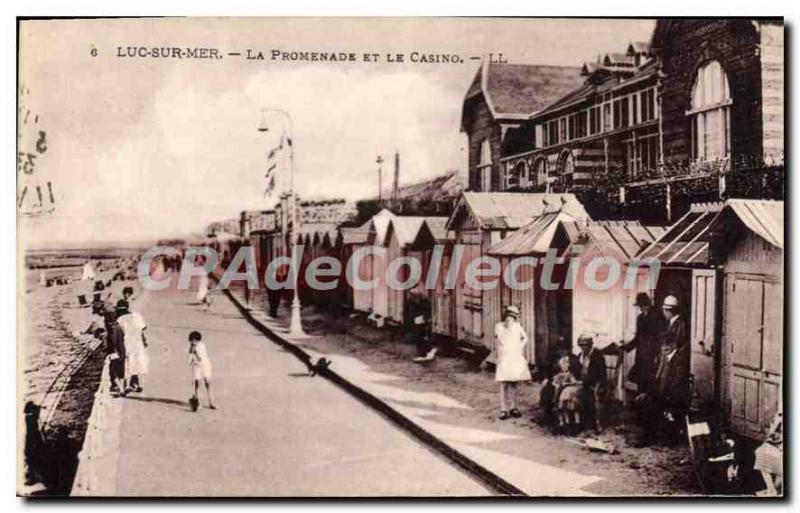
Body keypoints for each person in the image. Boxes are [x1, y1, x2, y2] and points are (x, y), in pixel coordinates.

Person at [635, 301, 691, 446]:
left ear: (673, 346)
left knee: (655, 406)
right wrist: (648, 392)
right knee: (642, 401)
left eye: (667, 348)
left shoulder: (678, 363)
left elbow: (676, 385)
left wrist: (661, 396)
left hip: (671, 397)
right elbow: (655, 378)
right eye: (662, 348)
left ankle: (654, 437)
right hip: (660, 393)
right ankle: (646, 437)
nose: (664, 350)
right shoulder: (661, 359)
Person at [622, 292, 667, 392]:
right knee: (640, 383)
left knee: (649, 386)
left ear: (648, 304)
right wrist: (626, 347)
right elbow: (638, 337)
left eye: (643, 305)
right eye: (640, 306)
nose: (641, 308)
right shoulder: (640, 318)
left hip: (651, 357)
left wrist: (658, 356)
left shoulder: (657, 317)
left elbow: (661, 339)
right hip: (641, 356)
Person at [494, 305, 531, 420]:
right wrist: (499, 355)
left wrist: (520, 346)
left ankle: (513, 407)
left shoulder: (517, 326)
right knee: (504, 384)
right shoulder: (499, 326)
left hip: (514, 357)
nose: (510, 319)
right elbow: (498, 341)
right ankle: (503, 409)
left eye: (513, 317)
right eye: (509, 316)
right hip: (504, 357)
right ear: (505, 316)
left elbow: (525, 337)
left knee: (514, 383)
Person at [575, 333, 607, 431]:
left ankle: (596, 423)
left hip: (596, 382)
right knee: (569, 391)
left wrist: (596, 384)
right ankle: (577, 421)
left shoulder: (597, 355)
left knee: (584, 394)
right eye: (581, 345)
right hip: (584, 383)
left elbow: (601, 374)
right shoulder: (581, 355)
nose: (583, 348)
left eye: (585, 345)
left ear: (590, 345)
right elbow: (577, 370)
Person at [117, 300, 149, 393]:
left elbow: (120, 334)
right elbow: (143, 329)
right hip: (138, 343)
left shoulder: (120, 320)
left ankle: (127, 386)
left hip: (127, 344)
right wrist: (144, 340)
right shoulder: (137, 316)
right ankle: (140, 385)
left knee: (128, 364)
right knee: (140, 363)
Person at [552, 353, 582, 433]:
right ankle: (563, 423)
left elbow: (574, 381)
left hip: (564, 392)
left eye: (565, 365)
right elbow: (554, 382)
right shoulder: (558, 375)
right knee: (561, 409)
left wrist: (566, 384)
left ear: (568, 365)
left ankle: (574, 424)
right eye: (562, 365)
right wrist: (556, 384)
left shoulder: (569, 375)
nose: (564, 367)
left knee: (568, 407)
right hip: (558, 394)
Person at [188, 331, 216, 409]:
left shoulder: (202, 345)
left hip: (205, 365)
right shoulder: (191, 348)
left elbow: (200, 358)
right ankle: (198, 402)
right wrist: (191, 356)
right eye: (192, 340)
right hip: (197, 367)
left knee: (208, 382)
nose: (193, 342)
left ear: (198, 340)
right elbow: (189, 360)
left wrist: (195, 352)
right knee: (198, 384)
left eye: (195, 340)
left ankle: (211, 402)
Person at [107, 302, 128, 396]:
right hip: (122, 351)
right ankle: (122, 387)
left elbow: (111, 343)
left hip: (114, 352)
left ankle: (120, 389)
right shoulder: (120, 328)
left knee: (113, 372)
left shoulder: (111, 330)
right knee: (122, 371)